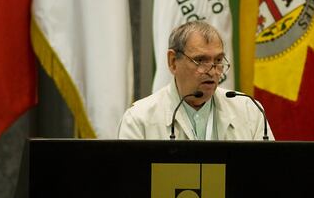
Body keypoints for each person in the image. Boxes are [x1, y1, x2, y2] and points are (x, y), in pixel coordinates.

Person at [117, 20, 274, 140]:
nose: (212, 71)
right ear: (173, 62)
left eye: (218, 60)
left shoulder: (250, 111)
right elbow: (129, 180)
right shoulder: (139, 119)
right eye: (200, 60)